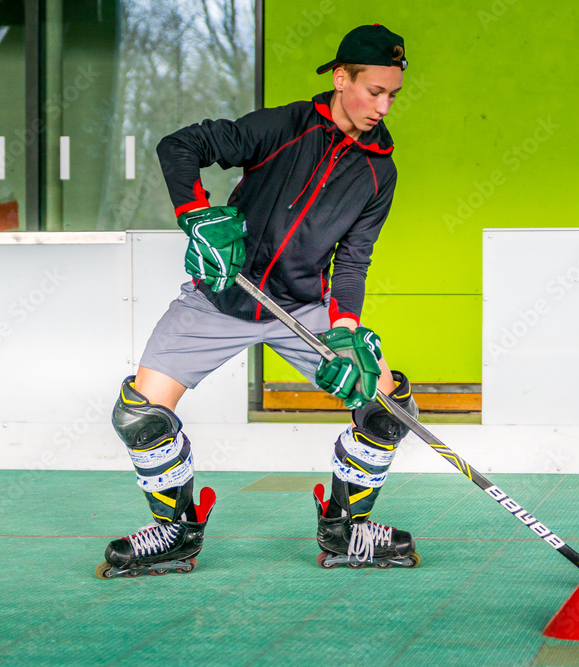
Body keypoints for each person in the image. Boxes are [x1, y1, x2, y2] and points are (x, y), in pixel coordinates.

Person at [96, 24, 420, 579]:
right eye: (375, 91)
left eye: (393, 94)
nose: (383, 106)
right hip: (221, 298)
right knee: (140, 417)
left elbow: (354, 259)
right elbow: (180, 146)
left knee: (384, 405)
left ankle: (346, 529)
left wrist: (345, 328)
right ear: (342, 78)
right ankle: (175, 533)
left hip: (300, 309)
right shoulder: (284, 126)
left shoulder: (378, 172)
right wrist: (196, 214)